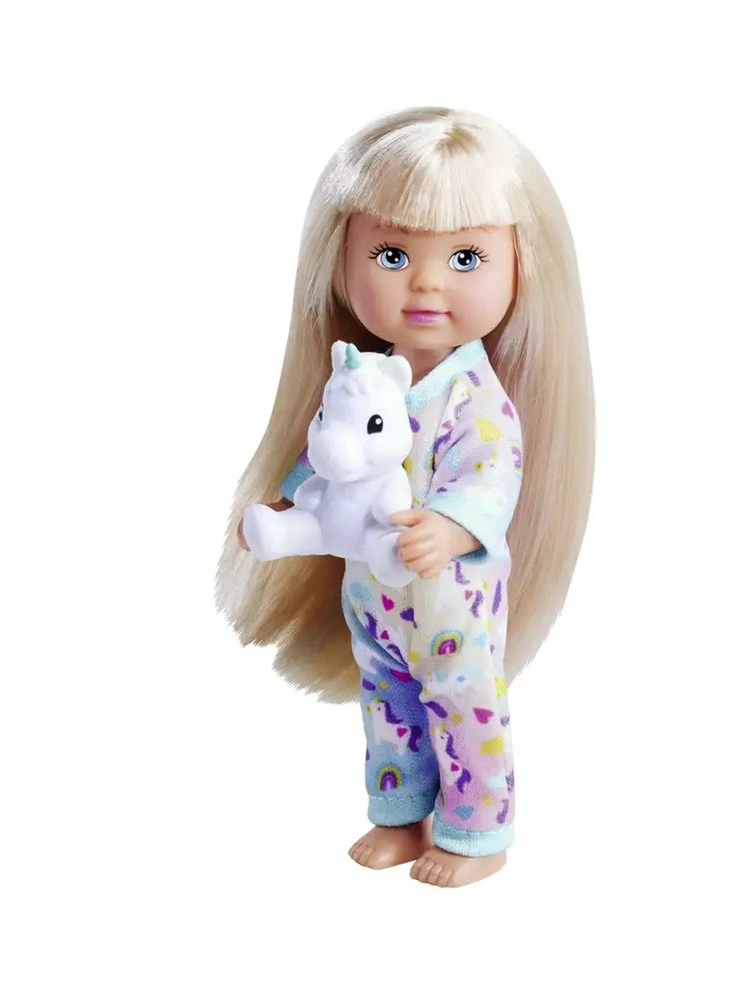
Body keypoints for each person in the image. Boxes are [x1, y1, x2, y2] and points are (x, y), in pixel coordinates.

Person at [216, 107, 595, 887]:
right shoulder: (359, 373)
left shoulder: (477, 399)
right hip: (374, 596)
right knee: (387, 702)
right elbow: (331, 453)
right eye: (391, 254)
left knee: (465, 707)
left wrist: (452, 528)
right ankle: (399, 815)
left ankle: (478, 830)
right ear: (340, 261)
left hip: (452, 599)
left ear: (520, 268)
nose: (425, 282)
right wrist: (290, 508)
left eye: (466, 257)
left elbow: (491, 475)